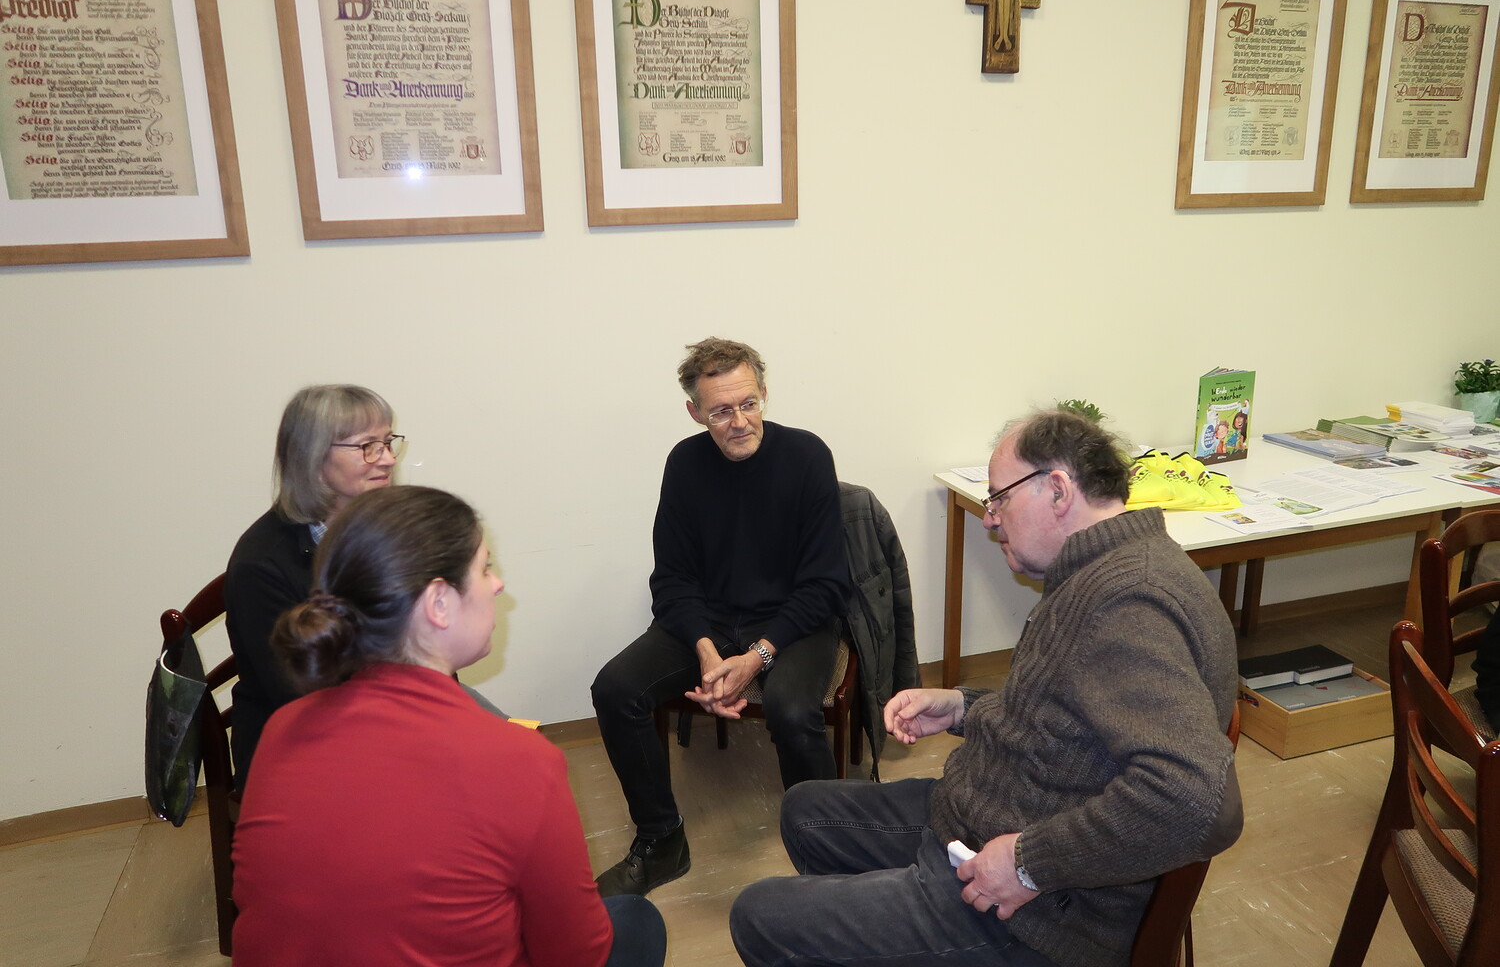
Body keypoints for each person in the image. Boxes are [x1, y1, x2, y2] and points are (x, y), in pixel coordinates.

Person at [730, 410, 1243, 967]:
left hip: (1039, 914)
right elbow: (1067, 719)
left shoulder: (1127, 603)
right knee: (805, 811)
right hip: (981, 819)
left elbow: (1198, 802)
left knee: (759, 916)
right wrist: (960, 708)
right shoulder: (1103, 570)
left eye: (999, 499)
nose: (990, 520)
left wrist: (1028, 864)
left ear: (1057, 489)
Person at [232, 485, 667, 967]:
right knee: (636, 922)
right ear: (438, 603)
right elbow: (576, 955)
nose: (497, 584)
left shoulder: (282, 730)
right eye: (484, 568)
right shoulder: (522, 763)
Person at [591, 337, 852, 897]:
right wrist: (707, 652)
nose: (739, 422)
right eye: (721, 411)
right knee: (615, 689)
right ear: (695, 412)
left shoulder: (807, 455)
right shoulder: (685, 464)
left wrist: (757, 657)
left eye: (749, 403)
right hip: (709, 620)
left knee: (791, 708)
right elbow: (672, 579)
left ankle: (826, 848)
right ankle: (661, 841)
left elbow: (826, 585)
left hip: (792, 620)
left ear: (764, 394)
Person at [224, 384, 403, 790]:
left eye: (388, 442)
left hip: (393, 712)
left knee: (503, 749)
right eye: (368, 446)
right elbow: (299, 694)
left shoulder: (387, 530)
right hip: (301, 741)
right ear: (313, 457)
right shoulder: (261, 565)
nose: (388, 458)